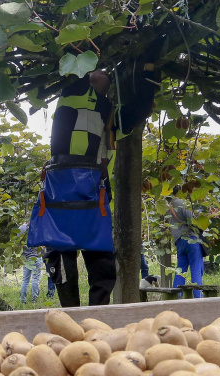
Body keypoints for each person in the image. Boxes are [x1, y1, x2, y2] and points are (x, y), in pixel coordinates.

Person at [43, 60, 160, 307]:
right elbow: (77, 64)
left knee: (97, 261)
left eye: (102, 72)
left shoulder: (108, 114)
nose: (99, 72)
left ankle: (92, 314)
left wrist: (148, 70)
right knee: (76, 258)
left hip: (79, 192)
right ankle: (78, 313)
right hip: (78, 192)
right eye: (96, 70)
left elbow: (140, 108)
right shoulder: (71, 95)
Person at [167, 193, 206, 297]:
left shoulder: (168, 206)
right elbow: (193, 221)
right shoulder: (182, 202)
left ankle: (176, 297)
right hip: (191, 239)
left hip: (179, 241)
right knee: (196, 269)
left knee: (180, 271)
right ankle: (198, 298)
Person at [18, 223, 42, 303]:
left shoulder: (21, 228)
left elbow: (17, 242)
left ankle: (22, 299)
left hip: (26, 258)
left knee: (25, 280)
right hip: (36, 256)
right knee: (35, 279)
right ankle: (34, 299)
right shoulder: (37, 226)